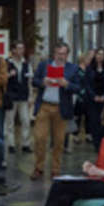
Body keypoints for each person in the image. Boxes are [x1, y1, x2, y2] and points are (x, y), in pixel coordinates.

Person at [31, 42, 80, 180]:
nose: (61, 56)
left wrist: (67, 84)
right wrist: (42, 82)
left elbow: (78, 88)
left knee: (59, 141)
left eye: (64, 54)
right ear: (54, 54)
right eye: (59, 53)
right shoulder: (44, 65)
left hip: (61, 108)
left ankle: (55, 169)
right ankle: (39, 168)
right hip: (44, 106)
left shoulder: (73, 68)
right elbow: (34, 81)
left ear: (67, 54)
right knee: (39, 138)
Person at [5, 41, 33, 154]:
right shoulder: (7, 63)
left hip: (23, 96)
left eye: (23, 48)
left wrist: (31, 96)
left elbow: (29, 81)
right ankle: (11, 144)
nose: (21, 51)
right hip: (11, 96)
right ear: (13, 50)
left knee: (26, 120)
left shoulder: (27, 64)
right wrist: (8, 75)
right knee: (10, 122)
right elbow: (1, 79)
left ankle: (26, 144)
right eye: (19, 48)